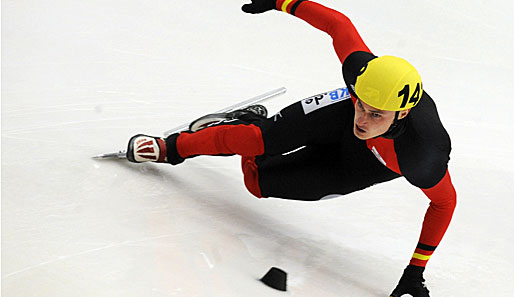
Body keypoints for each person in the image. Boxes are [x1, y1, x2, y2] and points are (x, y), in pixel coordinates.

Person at [126, 1, 457, 296]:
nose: (364, 118)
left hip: (369, 163)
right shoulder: (360, 83)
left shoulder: (422, 153)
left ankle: (242, 122)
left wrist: (415, 271)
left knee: (257, 184)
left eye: (376, 114)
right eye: (362, 103)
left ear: (402, 113)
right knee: (259, 138)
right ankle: (172, 148)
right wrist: (282, 2)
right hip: (334, 116)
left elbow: (444, 204)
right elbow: (338, 25)